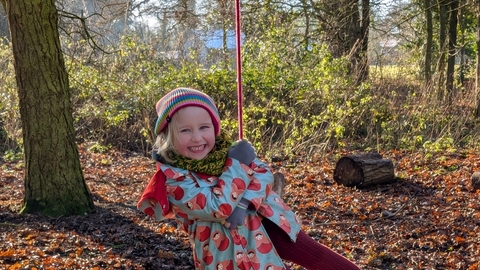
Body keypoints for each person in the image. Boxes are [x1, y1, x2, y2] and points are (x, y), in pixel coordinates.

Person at [137, 87, 360, 270]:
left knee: (328, 262)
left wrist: (244, 203)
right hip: (226, 255)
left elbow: (263, 173)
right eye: (185, 130)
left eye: (204, 127)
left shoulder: (227, 152)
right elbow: (218, 207)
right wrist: (237, 165)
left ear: (214, 128)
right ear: (168, 136)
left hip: (269, 225)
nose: (197, 137)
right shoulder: (174, 180)